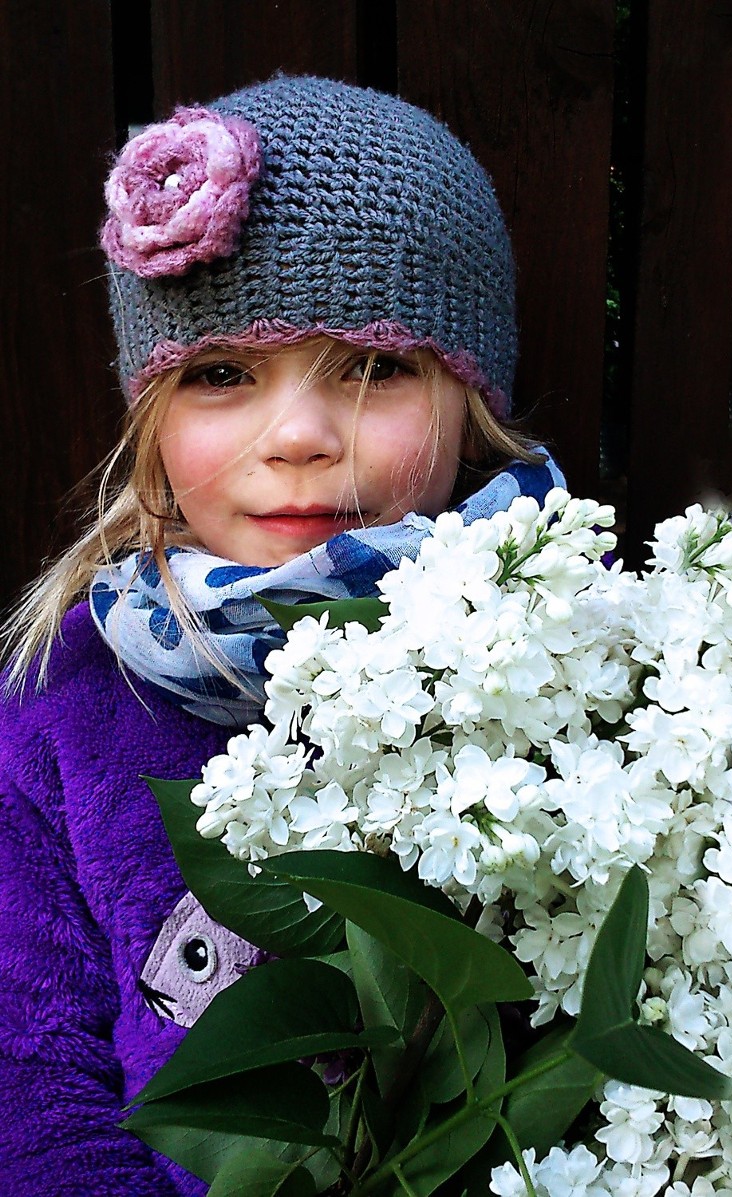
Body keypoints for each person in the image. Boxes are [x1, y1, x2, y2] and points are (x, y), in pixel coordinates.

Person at [0, 74, 564, 1194]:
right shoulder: (63, 709)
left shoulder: (591, 664)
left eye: (371, 367)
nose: (301, 433)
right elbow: (32, 1082)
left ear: (471, 401)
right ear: (150, 420)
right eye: (220, 375)